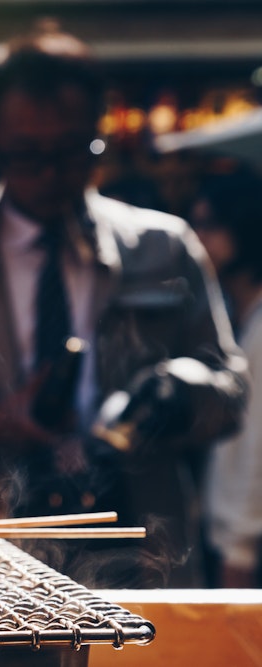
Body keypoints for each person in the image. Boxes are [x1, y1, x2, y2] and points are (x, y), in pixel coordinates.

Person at [0, 23, 248, 588]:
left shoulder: (164, 247)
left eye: (73, 152)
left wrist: (181, 392)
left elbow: (230, 392)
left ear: (98, 134)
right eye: (29, 155)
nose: (52, 174)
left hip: (140, 544)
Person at [190, 169, 262, 588]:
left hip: (246, 547)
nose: (198, 239)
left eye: (210, 225)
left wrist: (240, 550)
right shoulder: (239, 314)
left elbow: (254, 446)